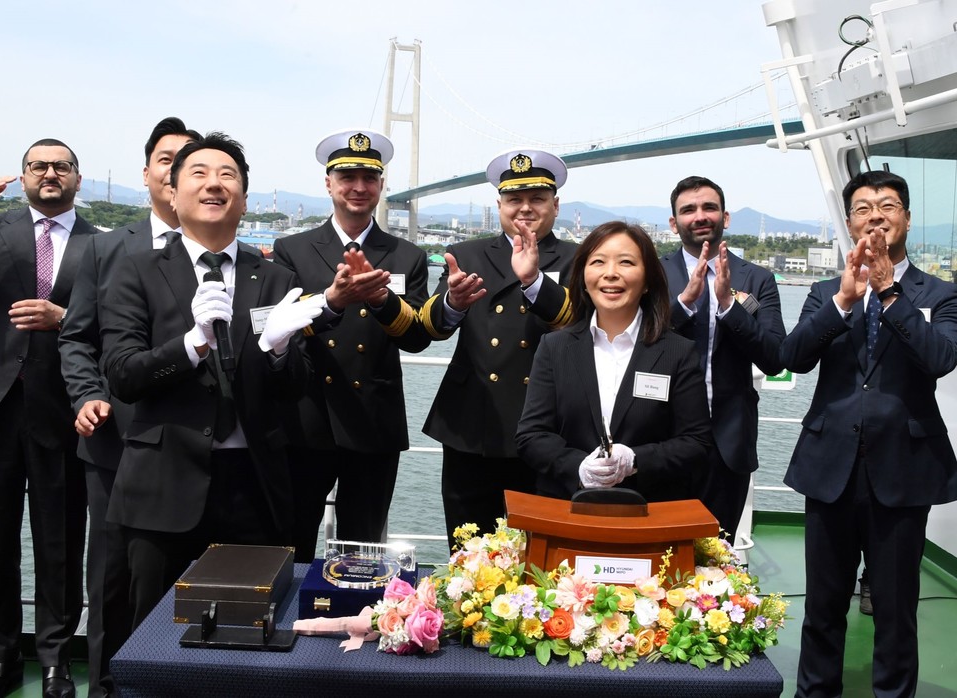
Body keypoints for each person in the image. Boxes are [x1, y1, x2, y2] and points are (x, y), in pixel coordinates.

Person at [100, 132, 321, 627]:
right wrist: (191, 344)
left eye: (228, 176)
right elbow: (122, 374)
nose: (214, 185)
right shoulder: (135, 272)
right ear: (172, 194)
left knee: (249, 630)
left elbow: (295, 388)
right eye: (197, 174)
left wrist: (280, 350)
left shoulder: (276, 278)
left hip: (255, 484)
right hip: (163, 485)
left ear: (245, 199)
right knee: (152, 632)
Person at [782, 170, 957, 697]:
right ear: (850, 220)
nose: (874, 215)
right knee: (822, 608)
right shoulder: (822, 292)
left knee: (897, 612)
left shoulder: (941, 294)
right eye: (862, 207)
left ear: (906, 217)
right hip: (829, 467)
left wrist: (887, 290)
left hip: (903, 472)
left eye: (886, 205)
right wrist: (841, 300)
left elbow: (941, 358)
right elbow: (792, 358)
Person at [58, 117, 200, 697]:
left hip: (190, 443)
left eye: (187, 160)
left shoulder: (218, 250)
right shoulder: (105, 248)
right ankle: (107, 686)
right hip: (117, 438)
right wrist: (88, 394)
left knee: (186, 578)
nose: (174, 170)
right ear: (147, 173)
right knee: (112, 575)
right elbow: (76, 337)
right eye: (165, 159)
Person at [273, 129, 431, 554]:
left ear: (382, 185)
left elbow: (416, 338)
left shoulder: (407, 256)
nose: (359, 187)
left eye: (370, 178)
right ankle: (294, 622)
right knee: (294, 539)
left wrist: (381, 300)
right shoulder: (292, 249)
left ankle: (352, 622)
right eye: (347, 177)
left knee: (363, 548)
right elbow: (276, 328)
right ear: (328, 183)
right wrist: (332, 301)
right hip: (307, 417)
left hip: (373, 422)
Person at [420, 149, 577, 542]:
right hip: (472, 423)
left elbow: (579, 323)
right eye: (514, 200)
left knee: (537, 550)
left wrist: (535, 282)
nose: (525, 208)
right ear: (500, 205)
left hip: (546, 424)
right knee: (466, 545)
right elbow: (432, 327)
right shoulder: (470, 254)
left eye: (537, 199)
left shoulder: (578, 257)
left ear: (555, 206)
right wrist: (453, 303)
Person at [0, 140, 98, 698]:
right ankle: (1, 653)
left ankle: (56, 658)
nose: (50, 174)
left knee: (60, 540)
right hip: (0, 408)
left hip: (65, 410)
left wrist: (66, 317)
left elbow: (112, 323)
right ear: (24, 176)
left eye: (62, 166)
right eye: (39, 166)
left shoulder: (103, 246)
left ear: (78, 180)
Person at [515, 221, 711, 499]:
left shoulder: (678, 352)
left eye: (626, 263)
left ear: (647, 281)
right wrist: (578, 467)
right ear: (583, 276)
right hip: (566, 509)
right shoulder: (554, 347)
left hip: (648, 513)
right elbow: (531, 435)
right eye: (598, 262)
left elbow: (696, 442)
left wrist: (635, 460)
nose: (611, 274)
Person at [660, 176, 785, 540]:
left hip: (728, 442)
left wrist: (730, 307)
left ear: (725, 217)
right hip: (661, 437)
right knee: (657, 551)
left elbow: (775, 357)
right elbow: (638, 343)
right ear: (674, 223)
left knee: (719, 552)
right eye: (688, 210)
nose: (700, 216)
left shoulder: (758, 279)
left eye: (709, 208)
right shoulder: (652, 273)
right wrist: (684, 303)